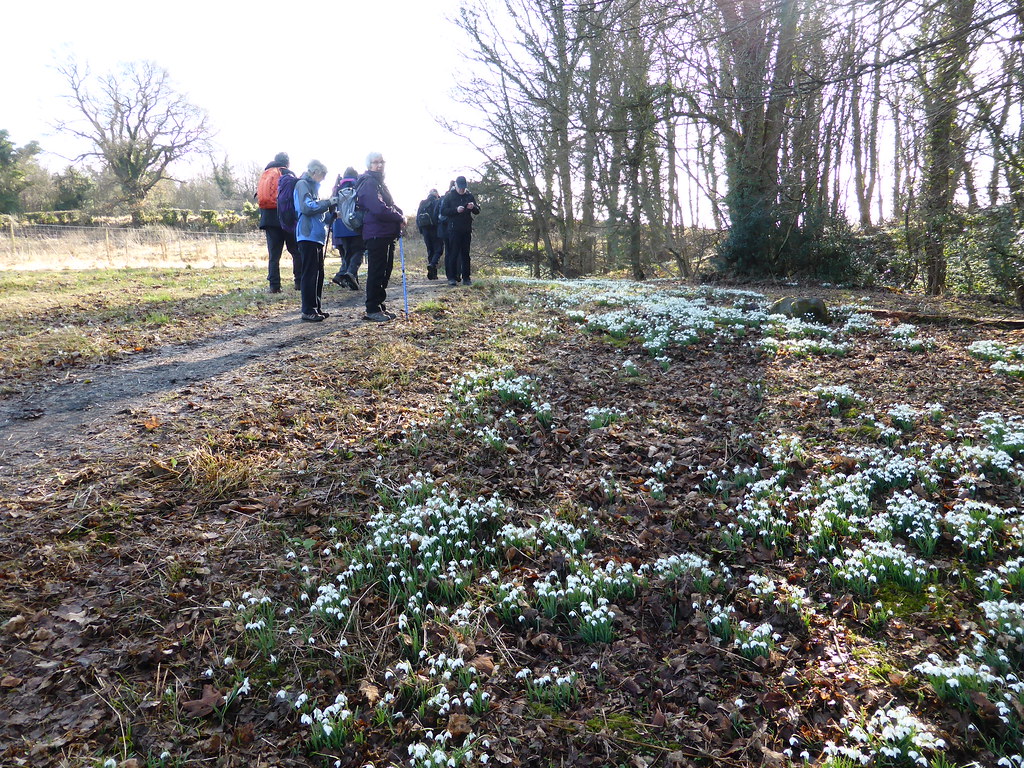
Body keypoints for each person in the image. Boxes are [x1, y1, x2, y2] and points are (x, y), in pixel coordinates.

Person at [357, 152, 405, 323]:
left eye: (381, 162)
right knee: (377, 271)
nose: (379, 165)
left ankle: (379, 305)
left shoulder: (379, 183)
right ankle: (372, 308)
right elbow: (378, 208)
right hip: (376, 233)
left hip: (385, 233)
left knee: (384, 271)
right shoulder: (369, 183)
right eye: (375, 162)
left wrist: (400, 213)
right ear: (368, 165)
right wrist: (399, 217)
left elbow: (389, 205)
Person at [294, 160, 336, 322]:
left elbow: (318, 213)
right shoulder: (303, 184)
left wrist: (330, 215)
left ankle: (316, 307)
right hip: (307, 235)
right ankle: (308, 309)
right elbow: (307, 208)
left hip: (316, 237)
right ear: (315, 172)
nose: (324, 178)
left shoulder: (313, 188)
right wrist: (327, 203)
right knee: (310, 273)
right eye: (323, 175)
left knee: (318, 274)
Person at [255, 152, 300, 293]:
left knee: (274, 255)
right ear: (287, 162)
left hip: (268, 219)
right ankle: (299, 282)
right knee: (295, 251)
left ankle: (274, 285)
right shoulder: (288, 173)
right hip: (286, 218)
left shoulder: (266, 174)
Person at [329, 167, 364, 292]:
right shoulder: (358, 185)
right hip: (354, 224)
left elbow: (331, 206)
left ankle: (352, 282)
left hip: (340, 226)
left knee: (347, 253)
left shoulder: (337, 188)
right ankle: (346, 274)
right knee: (359, 251)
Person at [441, 175, 480, 286]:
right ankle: (451, 278)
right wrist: (456, 210)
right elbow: (443, 211)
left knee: (465, 254)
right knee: (453, 253)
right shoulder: (449, 196)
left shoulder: (469, 196)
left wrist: (473, 207)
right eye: (460, 187)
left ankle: (466, 278)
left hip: (466, 229)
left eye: (464, 187)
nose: (462, 190)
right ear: (456, 185)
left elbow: (478, 210)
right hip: (453, 229)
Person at [416, 188, 443, 280]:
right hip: (434, 229)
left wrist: (421, 230)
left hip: (425, 230)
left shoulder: (422, 203)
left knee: (430, 251)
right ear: (436, 194)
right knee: (438, 250)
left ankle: (432, 274)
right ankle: (432, 265)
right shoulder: (437, 202)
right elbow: (439, 216)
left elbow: (417, 218)